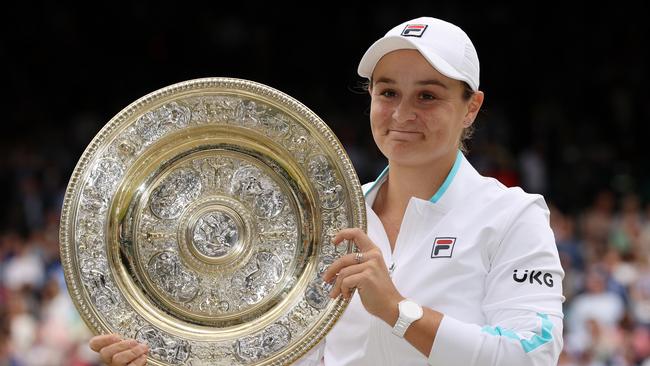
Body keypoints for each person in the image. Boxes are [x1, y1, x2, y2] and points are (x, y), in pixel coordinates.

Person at [89, 16, 565, 365]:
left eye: (428, 95)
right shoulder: (325, 216)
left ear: (471, 107)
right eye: (387, 93)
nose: (401, 114)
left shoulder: (512, 216)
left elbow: (531, 356)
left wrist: (399, 312)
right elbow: (280, 355)